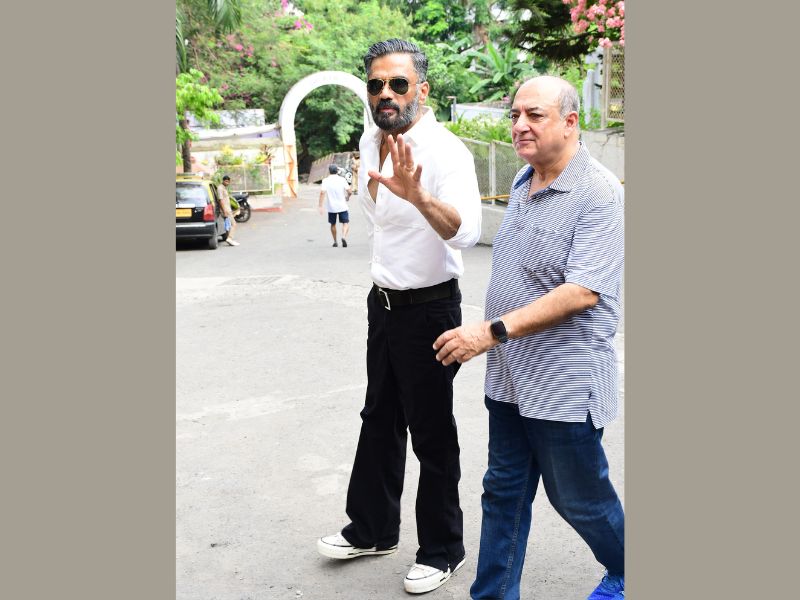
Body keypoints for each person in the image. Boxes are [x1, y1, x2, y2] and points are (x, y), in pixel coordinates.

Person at [432, 76, 625, 600]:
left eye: (534, 115)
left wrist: (489, 332)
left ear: (570, 122)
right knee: (503, 493)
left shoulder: (599, 194)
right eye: (515, 114)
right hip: (511, 380)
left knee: (579, 499)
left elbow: (582, 292)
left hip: (565, 385)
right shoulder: (524, 179)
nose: (520, 125)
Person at [316, 38, 482, 595]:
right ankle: (373, 529)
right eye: (376, 84)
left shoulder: (446, 152)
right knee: (378, 418)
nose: (385, 93)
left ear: (422, 90)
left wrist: (418, 198)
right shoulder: (372, 138)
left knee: (431, 431)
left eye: (398, 83)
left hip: (431, 308)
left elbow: (466, 232)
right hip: (383, 305)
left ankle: (443, 548)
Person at [318, 164, 352, 247]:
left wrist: (320, 205)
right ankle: (343, 237)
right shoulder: (342, 180)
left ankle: (335, 242)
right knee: (345, 223)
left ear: (329, 171)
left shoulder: (325, 180)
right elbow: (349, 191)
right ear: (337, 171)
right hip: (342, 206)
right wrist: (347, 197)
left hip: (331, 207)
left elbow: (322, 192)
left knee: (333, 224)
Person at [218, 175, 239, 246]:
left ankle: (229, 239)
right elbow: (220, 200)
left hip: (227, 209)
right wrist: (224, 211)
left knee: (228, 225)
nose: (227, 183)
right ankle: (230, 238)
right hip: (226, 210)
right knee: (234, 224)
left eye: (228, 181)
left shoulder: (224, 188)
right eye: (226, 181)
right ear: (223, 181)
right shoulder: (220, 188)